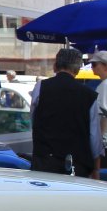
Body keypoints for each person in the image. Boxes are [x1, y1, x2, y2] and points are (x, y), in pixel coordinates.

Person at [30, 48, 97, 177]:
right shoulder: (89, 95)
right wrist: (96, 168)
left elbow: (33, 117)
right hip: (77, 163)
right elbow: (94, 136)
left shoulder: (41, 87)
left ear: (55, 66)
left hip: (45, 160)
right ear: (77, 70)